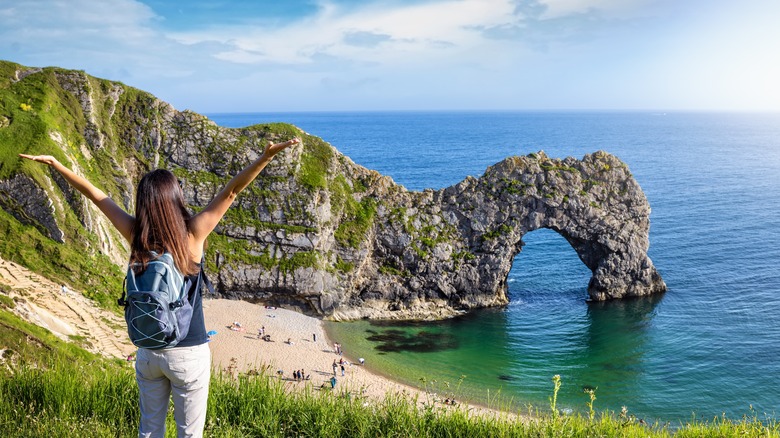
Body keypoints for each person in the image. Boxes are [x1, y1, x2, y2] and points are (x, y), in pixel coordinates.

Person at [20, 137, 299, 438]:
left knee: (150, 432)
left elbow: (96, 196)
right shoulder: (192, 236)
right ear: (175, 198)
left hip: (149, 350)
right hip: (188, 352)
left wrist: (56, 164)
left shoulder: (135, 235)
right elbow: (231, 192)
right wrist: (266, 157)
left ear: (143, 202)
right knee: (189, 435)